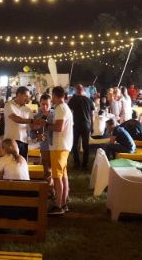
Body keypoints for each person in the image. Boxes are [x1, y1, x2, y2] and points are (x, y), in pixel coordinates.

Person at [46, 86, 73, 215]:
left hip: (59, 146)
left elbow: (59, 127)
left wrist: (46, 124)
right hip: (63, 146)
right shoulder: (65, 107)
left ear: (54, 96)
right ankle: (63, 203)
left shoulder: (60, 108)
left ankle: (58, 206)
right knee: (63, 176)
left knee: (57, 177)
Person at [68, 84, 95, 170]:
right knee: (85, 145)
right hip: (86, 125)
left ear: (76, 90)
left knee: (75, 144)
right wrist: (92, 126)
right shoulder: (88, 100)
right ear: (83, 90)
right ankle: (84, 164)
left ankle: (77, 163)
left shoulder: (73, 100)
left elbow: (69, 113)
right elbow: (92, 115)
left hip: (76, 125)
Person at [4, 86, 34, 159]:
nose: (27, 99)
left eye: (28, 97)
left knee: (22, 163)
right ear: (19, 95)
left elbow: (32, 126)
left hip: (24, 141)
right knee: (9, 163)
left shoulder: (28, 110)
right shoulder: (9, 105)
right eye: (26, 96)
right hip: (10, 141)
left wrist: (41, 125)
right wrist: (30, 121)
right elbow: (16, 119)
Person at [34, 93, 54, 190]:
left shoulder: (55, 114)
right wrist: (37, 135)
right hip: (44, 145)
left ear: (51, 104)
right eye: (43, 104)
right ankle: (48, 189)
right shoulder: (37, 116)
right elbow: (32, 132)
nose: (45, 106)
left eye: (47, 104)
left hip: (55, 144)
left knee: (54, 167)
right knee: (46, 167)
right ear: (40, 103)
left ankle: (55, 188)